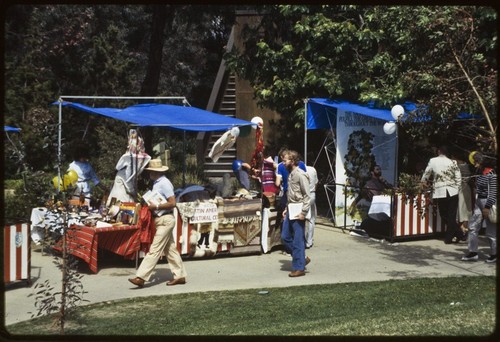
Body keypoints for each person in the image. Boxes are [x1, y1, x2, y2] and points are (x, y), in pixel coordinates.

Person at [128, 159, 187, 287]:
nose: (149, 173)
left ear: (156, 172)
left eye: (151, 171)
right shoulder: (157, 183)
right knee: (170, 250)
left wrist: (157, 206)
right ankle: (180, 275)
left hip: (165, 218)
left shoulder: (164, 183)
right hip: (162, 219)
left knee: (155, 249)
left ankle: (141, 277)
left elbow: (172, 203)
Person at [421, 145, 465, 244]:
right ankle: (459, 234)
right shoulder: (452, 162)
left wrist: (423, 181)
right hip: (453, 191)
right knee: (451, 215)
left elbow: (427, 172)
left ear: (439, 151)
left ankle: (451, 237)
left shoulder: (433, 161)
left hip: (441, 191)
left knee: (444, 214)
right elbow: (458, 176)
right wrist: (457, 187)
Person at [461, 152, 497, 262]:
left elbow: (493, 192)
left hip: (488, 202)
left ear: (482, 162)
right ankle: (473, 252)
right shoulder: (478, 172)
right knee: (473, 227)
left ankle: (494, 254)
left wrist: (487, 207)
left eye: (477, 162)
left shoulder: (491, 173)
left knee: (491, 231)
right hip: (479, 201)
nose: (475, 164)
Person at [281, 150, 311, 277]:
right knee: (285, 237)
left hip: (299, 210)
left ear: (292, 161)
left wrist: (303, 212)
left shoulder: (300, 174)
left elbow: (307, 196)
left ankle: (299, 267)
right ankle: (301, 258)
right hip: (291, 209)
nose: (283, 162)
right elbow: (291, 194)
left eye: (285, 160)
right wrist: (287, 209)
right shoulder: (290, 175)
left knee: (298, 240)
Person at [305, 164, 318, 248]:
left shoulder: (298, 171)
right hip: (312, 194)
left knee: (306, 218)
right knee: (311, 218)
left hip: (305, 196)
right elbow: (316, 183)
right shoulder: (312, 169)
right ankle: (309, 240)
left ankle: (306, 240)